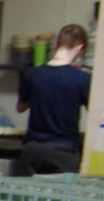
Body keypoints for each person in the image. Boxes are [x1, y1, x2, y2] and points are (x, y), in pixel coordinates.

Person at [13, 24, 92, 176]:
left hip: (33, 149)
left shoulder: (33, 75)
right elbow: (93, 113)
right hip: (63, 150)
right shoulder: (82, 79)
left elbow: (20, 107)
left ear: (56, 44)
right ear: (80, 48)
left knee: (28, 196)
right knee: (60, 197)